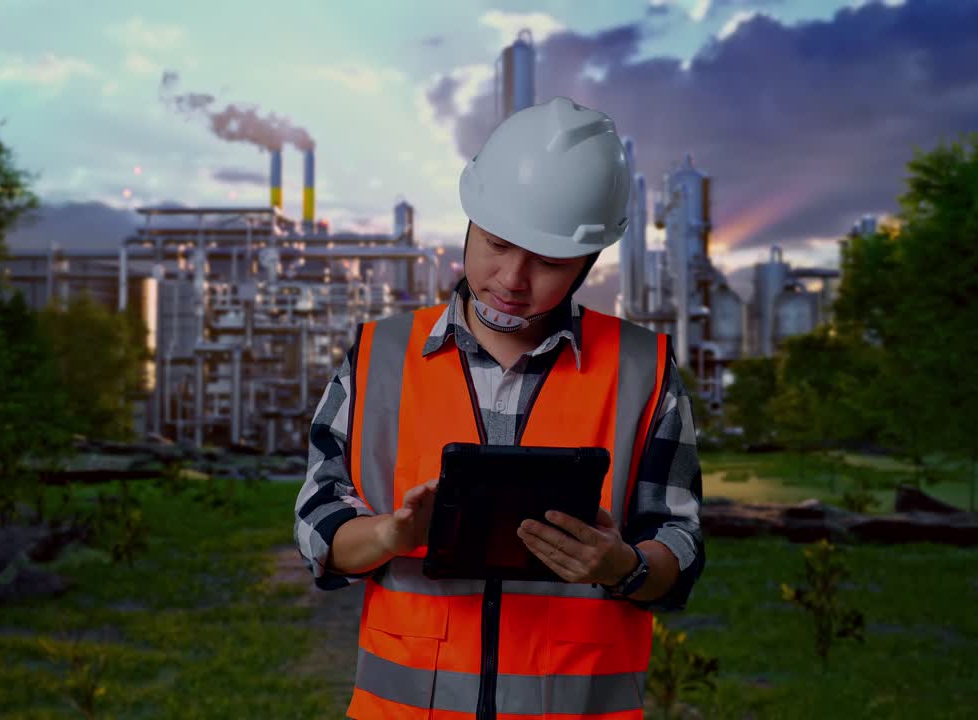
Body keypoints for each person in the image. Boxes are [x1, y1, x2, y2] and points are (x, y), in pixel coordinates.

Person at [294, 96, 704, 720]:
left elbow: (679, 543)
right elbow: (318, 523)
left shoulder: (642, 370)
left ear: (589, 261)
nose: (512, 279)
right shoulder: (379, 357)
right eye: (497, 244)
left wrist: (622, 566)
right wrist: (390, 535)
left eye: (549, 262)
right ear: (470, 220)